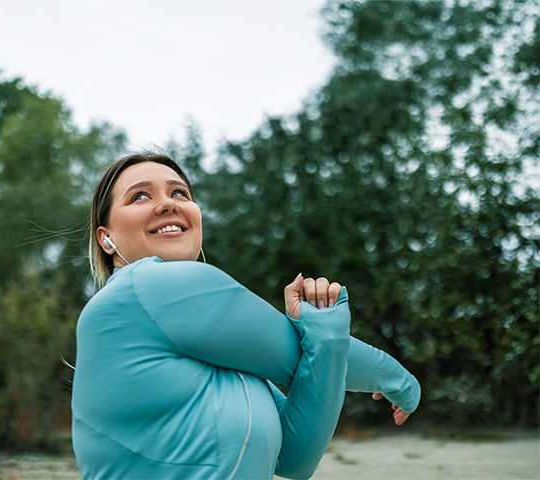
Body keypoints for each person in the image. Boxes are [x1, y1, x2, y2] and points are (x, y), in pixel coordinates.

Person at [71, 152, 421, 480]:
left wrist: (325, 332)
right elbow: (298, 353)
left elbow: (295, 458)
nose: (167, 203)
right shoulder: (144, 286)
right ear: (106, 239)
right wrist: (401, 382)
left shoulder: (215, 346)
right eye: (140, 197)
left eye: (179, 193)